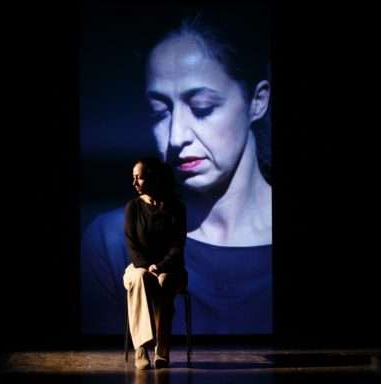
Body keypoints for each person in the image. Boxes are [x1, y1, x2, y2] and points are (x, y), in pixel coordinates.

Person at [81, 6, 272, 338]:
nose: (175, 137)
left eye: (202, 108)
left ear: (257, 101)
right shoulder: (109, 240)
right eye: (159, 112)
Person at [123, 157, 187, 369]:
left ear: (153, 178)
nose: (134, 183)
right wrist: (146, 267)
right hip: (139, 267)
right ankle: (141, 347)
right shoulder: (133, 208)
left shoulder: (176, 208)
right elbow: (132, 246)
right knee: (139, 278)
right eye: (133, 178)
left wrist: (159, 267)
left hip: (169, 268)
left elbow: (178, 246)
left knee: (165, 281)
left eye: (139, 178)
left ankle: (162, 348)